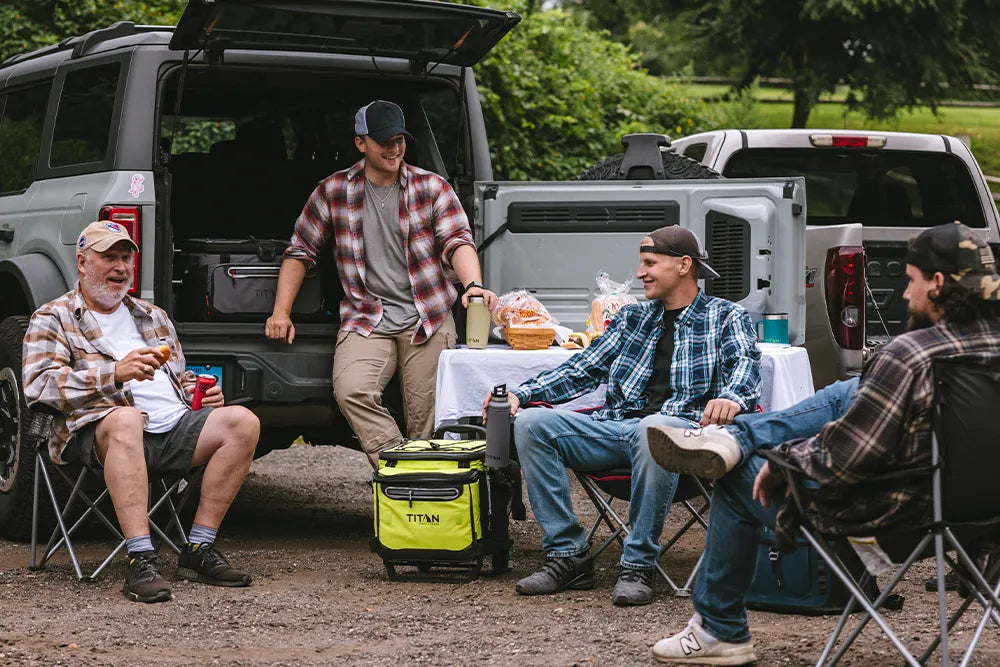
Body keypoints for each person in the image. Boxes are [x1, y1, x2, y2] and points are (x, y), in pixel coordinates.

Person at [646, 221, 1000, 664]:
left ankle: (719, 630)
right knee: (849, 392)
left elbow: (842, 460)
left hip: (899, 518)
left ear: (939, 284)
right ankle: (735, 437)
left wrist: (786, 460)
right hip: (984, 520)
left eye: (911, 282)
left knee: (738, 476)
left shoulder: (911, 355)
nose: (906, 296)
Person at [484, 225, 761, 607]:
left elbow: (746, 364)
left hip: (683, 438)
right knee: (533, 424)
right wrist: (521, 393)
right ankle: (568, 556)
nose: (641, 272)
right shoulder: (632, 319)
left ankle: (638, 563)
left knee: (654, 427)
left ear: (683, 265)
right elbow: (583, 368)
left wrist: (731, 396)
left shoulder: (725, 316)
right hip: (616, 430)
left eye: (650, 263)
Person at [22, 221, 260, 604]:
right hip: (99, 432)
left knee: (242, 422)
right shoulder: (53, 318)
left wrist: (199, 392)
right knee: (127, 419)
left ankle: (197, 550)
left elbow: (178, 378)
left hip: (172, 428)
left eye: (125, 258)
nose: (119, 267)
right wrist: (113, 374)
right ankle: (140, 557)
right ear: (82, 262)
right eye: (108, 257)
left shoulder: (153, 316)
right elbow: (39, 387)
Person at [266, 100, 497, 468]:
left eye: (400, 140)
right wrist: (281, 311)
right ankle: (399, 468)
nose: (394, 148)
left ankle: (425, 497)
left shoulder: (432, 187)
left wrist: (472, 286)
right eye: (384, 141)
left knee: (430, 416)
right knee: (352, 390)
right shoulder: (333, 190)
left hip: (428, 316)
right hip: (367, 317)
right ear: (361, 143)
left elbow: (458, 241)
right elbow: (300, 251)